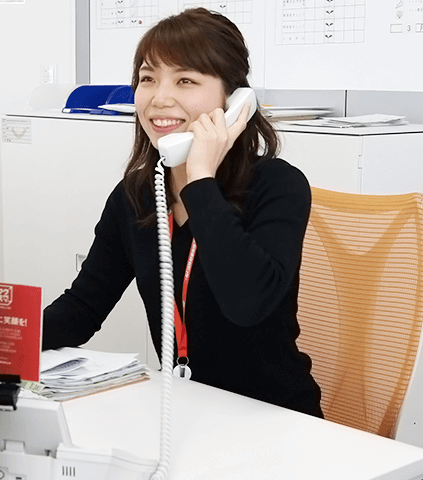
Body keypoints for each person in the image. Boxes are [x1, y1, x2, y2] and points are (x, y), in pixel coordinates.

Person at [42, 7, 323, 418]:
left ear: (234, 99)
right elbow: (83, 308)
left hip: (274, 418)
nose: (159, 98)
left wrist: (199, 180)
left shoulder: (278, 185)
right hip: (185, 413)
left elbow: (247, 302)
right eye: (147, 78)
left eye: (185, 80)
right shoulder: (136, 195)